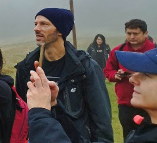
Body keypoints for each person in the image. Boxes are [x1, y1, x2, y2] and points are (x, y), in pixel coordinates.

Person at [15, 8, 113, 143]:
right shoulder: (27, 68)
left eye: (44, 24)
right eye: (35, 24)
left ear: (60, 30)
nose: (36, 29)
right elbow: (22, 114)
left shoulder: (85, 68)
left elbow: (101, 122)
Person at [26, 49, 157, 143]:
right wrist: (55, 108)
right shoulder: (146, 132)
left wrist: (40, 114)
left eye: (146, 74)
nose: (131, 80)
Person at [103, 19, 155, 140]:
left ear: (145, 33)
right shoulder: (117, 51)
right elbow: (107, 71)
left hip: (151, 104)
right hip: (126, 103)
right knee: (129, 136)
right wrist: (116, 75)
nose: (132, 37)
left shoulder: (154, 51)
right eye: (129, 33)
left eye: (135, 34)